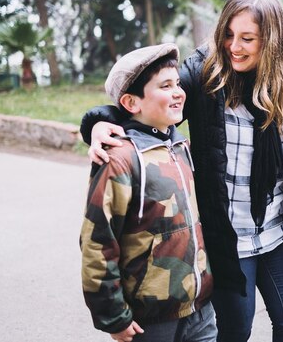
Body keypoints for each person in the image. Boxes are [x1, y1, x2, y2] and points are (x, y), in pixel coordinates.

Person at [80, 0, 283, 342]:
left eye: (247, 38)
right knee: (236, 329)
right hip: (229, 236)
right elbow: (149, 105)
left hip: (281, 228)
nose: (234, 46)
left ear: (273, 39)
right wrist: (98, 121)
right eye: (228, 35)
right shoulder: (206, 72)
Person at [79, 43, 216, 342]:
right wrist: (113, 318)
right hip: (150, 321)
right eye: (165, 86)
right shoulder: (119, 159)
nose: (178, 92)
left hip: (200, 312)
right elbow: (97, 243)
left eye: (177, 83)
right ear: (131, 102)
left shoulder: (182, 148)